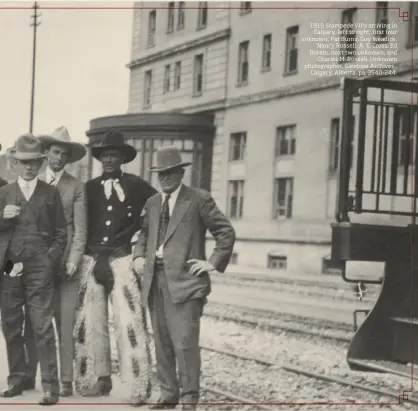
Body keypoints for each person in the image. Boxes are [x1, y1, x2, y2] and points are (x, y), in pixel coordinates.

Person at [132, 145, 236, 410]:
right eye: (161, 173)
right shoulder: (153, 203)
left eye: (170, 172)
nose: (165, 177)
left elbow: (225, 232)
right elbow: (143, 235)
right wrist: (138, 256)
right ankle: (168, 394)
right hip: (154, 281)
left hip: (186, 284)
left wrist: (212, 263)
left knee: (185, 343)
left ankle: (190, 399)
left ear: (180, 173)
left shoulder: (198, 199)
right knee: (162, 341)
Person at [73, 129, 157, 405]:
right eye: (105, 156)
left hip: (122, 259)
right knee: (92, 321)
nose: (109, 160)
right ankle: (99, 379)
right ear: (100, 159)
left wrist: (141, 245)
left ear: (122, 158)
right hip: (92, 259)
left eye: (114, 155)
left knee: (128, 321)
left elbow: (158, 209)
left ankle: (137, 385)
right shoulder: (89, 188)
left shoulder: (137, 186)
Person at [0, 134, 67, 405]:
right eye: (24, 162)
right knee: (12, 324)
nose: (29, 167)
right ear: (15, 162)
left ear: (41, 163)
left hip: (40, 267)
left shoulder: (50, 193)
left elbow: (61, 233)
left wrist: (49, 260)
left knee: (41, 326)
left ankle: (50, 385)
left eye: (34, 162)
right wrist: (3, 219)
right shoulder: (3, 194)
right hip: (10, 266)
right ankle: (17, 379)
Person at [23, 126, 87, 397]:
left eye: (64, 154)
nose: (58, 158)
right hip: (36, 267)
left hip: (65, 268)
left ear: (68, 158)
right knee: (35, 321)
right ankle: (29, 375)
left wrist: (73, 260)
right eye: (55, 152)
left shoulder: (75, 186)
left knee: (64, 323)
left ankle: (66, 380)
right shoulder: (33, 183)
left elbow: (81, 230)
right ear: (46, 153)